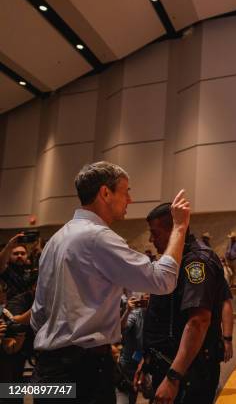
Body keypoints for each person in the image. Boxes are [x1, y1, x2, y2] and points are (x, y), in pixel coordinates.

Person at [30, 161, 191, 403]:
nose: (130, 200)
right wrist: (179, 227)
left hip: (48, 368)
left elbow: (38, 315)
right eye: (126, 191)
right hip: (82, 372)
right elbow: (163, 280)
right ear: (106, 193)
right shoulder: (97, 237)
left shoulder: (56, 239)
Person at [136, 202, 227, 404]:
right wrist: (147, 360)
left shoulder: (196, 261)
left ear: (174, 230)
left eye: (155, 233)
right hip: (168, 365)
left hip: (187, 373)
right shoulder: (173, 261)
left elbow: (198, 322)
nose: (151, 240)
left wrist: (173, 377)